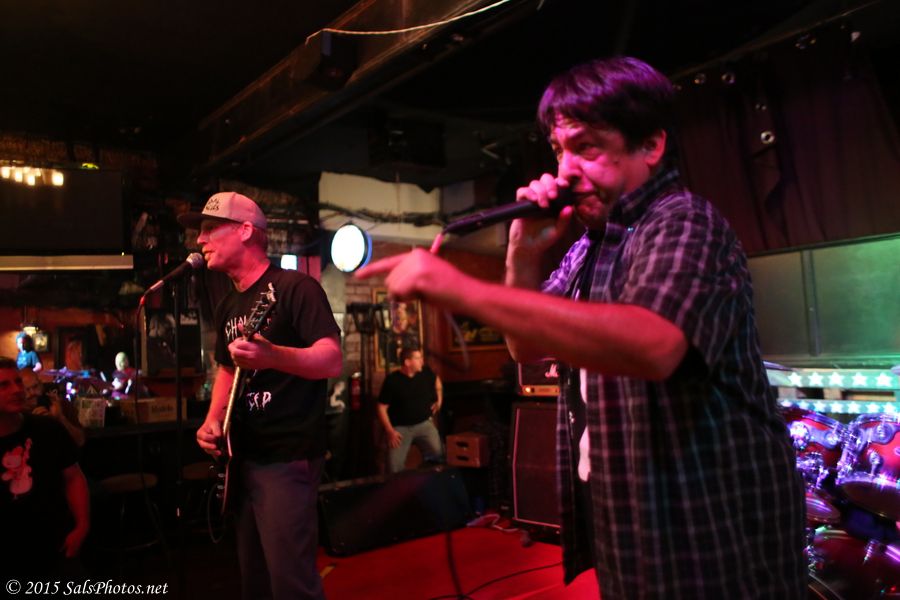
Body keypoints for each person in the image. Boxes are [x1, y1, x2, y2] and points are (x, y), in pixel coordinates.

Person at [357, 56, 806, 598]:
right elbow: (525, 348)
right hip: (629, 518)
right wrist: (523, 254)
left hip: (708, 523)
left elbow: (654, 344)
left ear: (650, 145)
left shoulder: (682, 221)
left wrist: (461, 288)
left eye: (586, 147)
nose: (565, 170)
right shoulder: (592, 245)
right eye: (558, 150)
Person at [181, 191, 342, 600]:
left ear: (245, 231)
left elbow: (331, 359)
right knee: (255, 580)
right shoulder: (228, 304)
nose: (200, 240)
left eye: (210, 229)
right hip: (242, 455)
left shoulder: (296, 288)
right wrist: (213, 420)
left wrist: (273, 356)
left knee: (291, 583)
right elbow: (226, 368)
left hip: (286, 455)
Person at [0, 357, 90, 579]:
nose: (17, 390)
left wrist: (81, 527)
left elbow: (73, 477)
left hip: (54, 547)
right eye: (4, 385)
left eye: (18, 382)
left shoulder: (47, 428)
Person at [376, 348, 443, 474]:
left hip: (424, 424)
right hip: (400, 429)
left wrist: (439, 401)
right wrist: (390, 431)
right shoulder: (392, 380)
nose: (422, 361)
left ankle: (426, 481)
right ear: (407, 362)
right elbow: (381, 408)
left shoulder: (425, 372)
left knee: (439, 457)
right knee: (394, 467)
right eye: (418, 358)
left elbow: (437, 383)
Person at [20, 369, 85, 448]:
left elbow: (80, 441)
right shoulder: (17, 413)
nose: (32, 393)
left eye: (35, 386)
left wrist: (60, 418)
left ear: (41, 385)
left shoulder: (61, 405)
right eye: (26, 389)